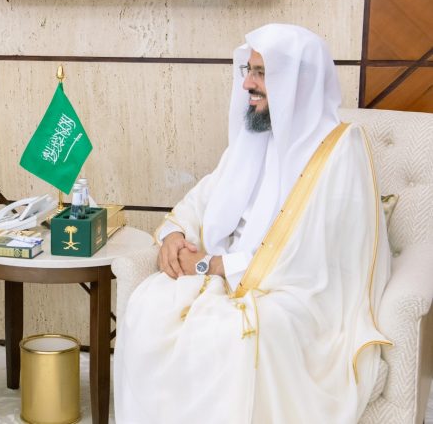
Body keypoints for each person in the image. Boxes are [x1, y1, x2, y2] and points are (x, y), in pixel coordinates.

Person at [114, 24, 391, 423]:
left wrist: (215, 265)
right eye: (249, 70)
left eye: (261, 73)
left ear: (296, 81)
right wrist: (175, 235)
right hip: (226, 274)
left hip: (298, 293)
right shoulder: (254, 137)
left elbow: (313, 254)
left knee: (231, 334)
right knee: (149, 306)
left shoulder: (341, 149)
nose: (247, 83)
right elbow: (203, 198)